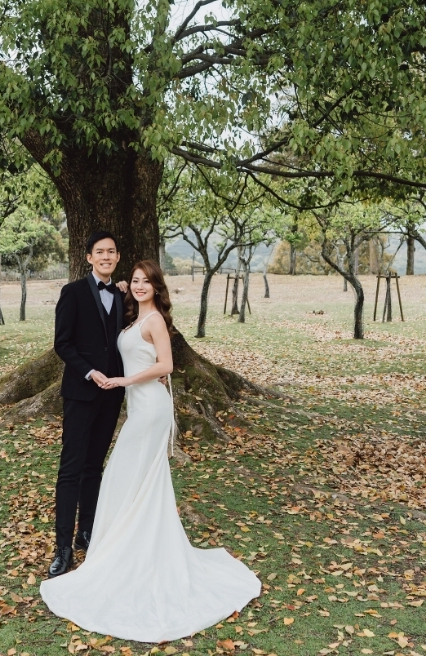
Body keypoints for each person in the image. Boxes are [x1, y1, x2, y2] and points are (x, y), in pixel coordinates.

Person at [40, 260, 261, 642]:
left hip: (151, 410)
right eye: (137, 281)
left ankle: (130, 549)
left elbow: (168, 364)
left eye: (147, 282)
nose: (140, 286)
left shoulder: (155, 320)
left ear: (158, 288)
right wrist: (125, 287)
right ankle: (120, 542)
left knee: (126, 475)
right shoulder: (130, 313)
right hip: (138, 407)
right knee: (133, 479)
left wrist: (125, 379)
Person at [48, 231, 127, 578]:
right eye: (100, 252)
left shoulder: (125, 295)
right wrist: (89, 372)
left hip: (112, 396)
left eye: (111, 251)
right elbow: (62, 344)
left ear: (117, 257)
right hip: (81, 393)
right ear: (89, 258)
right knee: (71, 470)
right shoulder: (73, 293)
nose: (106, 256)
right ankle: (62, 548)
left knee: (95, 466)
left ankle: (87, 532)